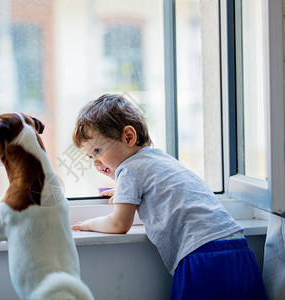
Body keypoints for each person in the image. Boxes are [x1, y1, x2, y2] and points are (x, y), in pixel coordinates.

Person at [71, 94, 267, 300]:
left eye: (98, 150)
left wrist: (90, 224)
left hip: (203, 255)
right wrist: (124, 193)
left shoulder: (128, 170)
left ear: (129, 137)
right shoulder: (161, 159)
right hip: (239, 249)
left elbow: (119, 223)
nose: (96, 162)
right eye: (91, 157)